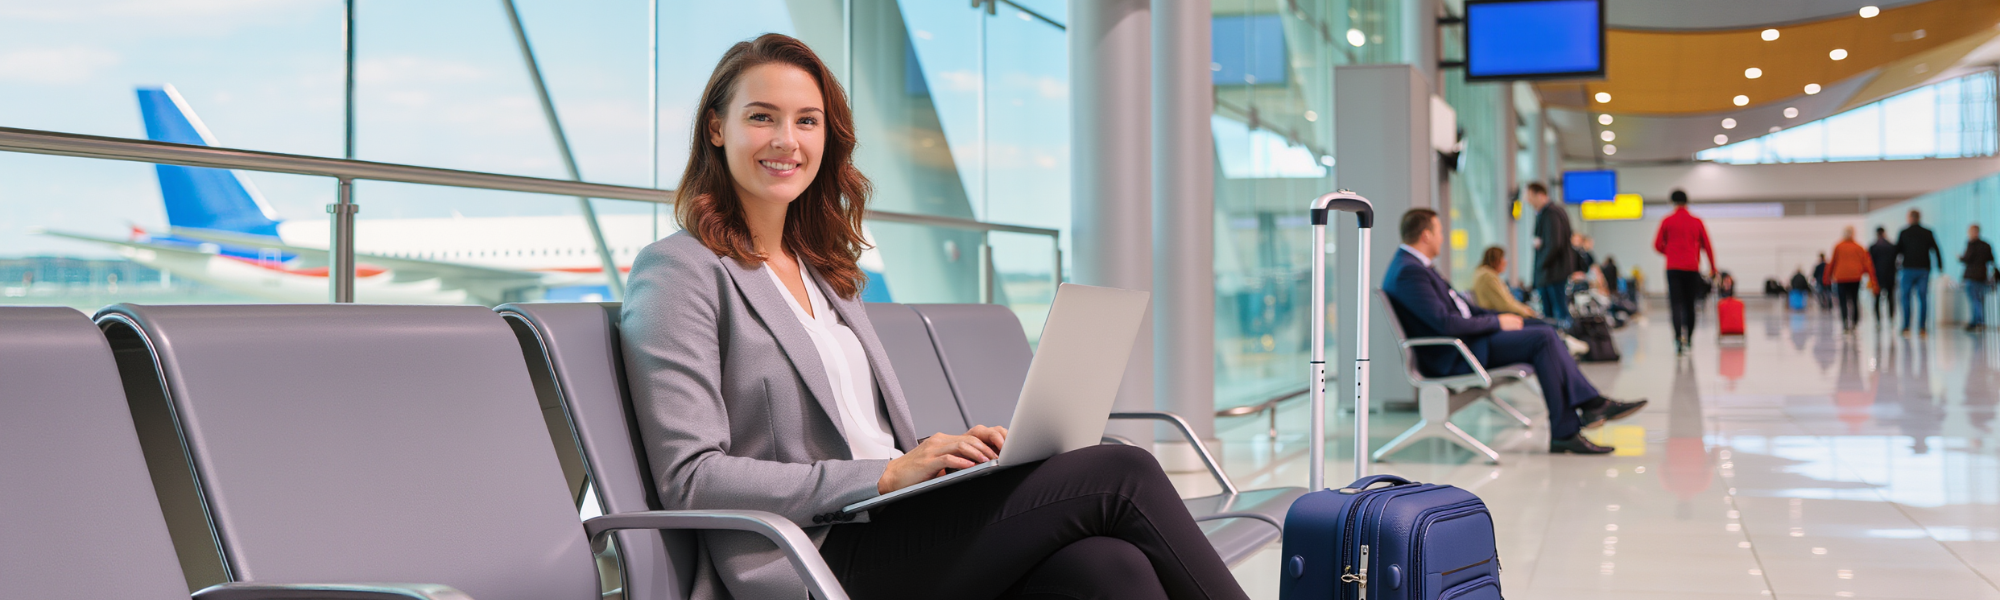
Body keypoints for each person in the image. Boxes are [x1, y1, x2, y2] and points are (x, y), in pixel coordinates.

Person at [620, 34, 1248, 600]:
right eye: (762, 118)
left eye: (806, 121)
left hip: (896, 520)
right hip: (818, 553)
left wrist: (941, 453)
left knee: (1109, 568)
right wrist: (887, 474)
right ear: (717, 129)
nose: (787, 140)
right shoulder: (680, 271)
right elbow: (691, 478)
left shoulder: (822, 271)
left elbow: (856, 429)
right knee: (1121, 470)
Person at [1384, 208, 1648, 455]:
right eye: (1440, 231)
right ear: (1426, 234)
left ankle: (1572, 424)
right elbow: (1446, 324)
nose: (1443, 238)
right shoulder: (1410, 271)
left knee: (1542, 329)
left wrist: (1504, 318)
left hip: (1468, 342)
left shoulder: (1417, 267)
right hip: (1454, 354)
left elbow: (1466, 311)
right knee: (1542, 339)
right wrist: (1499, 323)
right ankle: (1584, 411)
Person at [1653, 189, 1716, 354]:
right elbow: (1707, 246)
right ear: (1687, 202)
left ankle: (1677, 339)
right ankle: (1688, 339)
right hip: (1691, 268)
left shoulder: (1667, 221)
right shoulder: (1696, 221)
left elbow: (1657, 245)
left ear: (1672, 202)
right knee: (1690, 305)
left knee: (1675, 305)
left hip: (1673, 268)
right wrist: (1713, 268)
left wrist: (1671, 252)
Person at [1526, 182, 1578, 326]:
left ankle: (1563, 345)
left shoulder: (1551, 213)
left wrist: (1541, 265)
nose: (1527, 201)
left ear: (1540, 195)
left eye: (1530, 196)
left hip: (1552, 273)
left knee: (1558, 315)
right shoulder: (1552, 212)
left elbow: (1554, 244)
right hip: (1552, 273)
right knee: (1556, 314)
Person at [1896, 209, 1945, 336]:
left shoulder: (1904, 232)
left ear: (1910, 218)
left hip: (1908, 269)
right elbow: (1936, 249)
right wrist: (1940, 266)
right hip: (1923, 269)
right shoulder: (1927, 232)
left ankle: (1906, 326)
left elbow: (1897, 251)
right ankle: (1922, 327)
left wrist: (1893, 267)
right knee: (1923, 298)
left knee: (1905, 297)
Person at [1825, 226, 1876, 334]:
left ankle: (1845, 323)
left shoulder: (1838, 246)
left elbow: (1832, 262)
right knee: (1854, 299)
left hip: (1841, 278)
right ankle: (1854, 323)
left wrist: (1828, 277)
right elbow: (1866, 263)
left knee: (1843, 301)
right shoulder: (1858, 247)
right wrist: (1870, 277)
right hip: (1855, 277)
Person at [1472, 246, 1538, 317]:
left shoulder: (1487, 275)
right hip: (1497, 316)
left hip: (1499, 315)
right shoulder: (1488, 277)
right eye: (1503, 258)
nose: (1506, 261)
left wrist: (1525, 309)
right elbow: (1504, 305)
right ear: (1496, 260)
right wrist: (1527, 312)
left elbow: (1508, 302)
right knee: (1547, 325)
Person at [1961, 224, 1994, 332]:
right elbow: (1991, 260)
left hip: (1972, 276)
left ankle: (1977, 321)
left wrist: (1961, 258)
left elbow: (1967, 258)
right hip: (1982, 276)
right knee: (1979, 299)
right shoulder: (1986, 245)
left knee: (1974, 300)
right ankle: (1978, 321)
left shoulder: (1971, 244)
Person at [1868, 226, 1899, 324]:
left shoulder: (1873, 247)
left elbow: (1870, 263)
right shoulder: (1891, 246)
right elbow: (1895, 261)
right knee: (1890, 298)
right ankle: (1891, 319)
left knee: (1877, 299)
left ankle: (1878, 320)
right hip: (1890, 275)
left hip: (1878, 276)